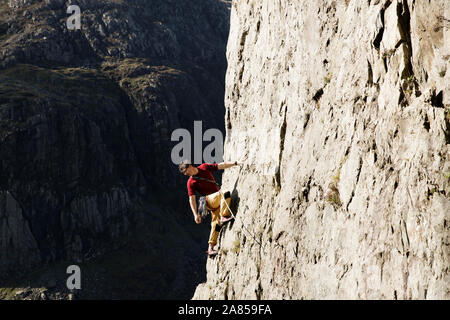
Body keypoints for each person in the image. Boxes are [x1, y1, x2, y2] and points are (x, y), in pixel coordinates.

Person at [179, 160, 239, 256]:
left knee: (216, 223)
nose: (185, 174)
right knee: (224, 193)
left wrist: (235, 163)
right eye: (184, 173)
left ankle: (210, 248)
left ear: (190, 166)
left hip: (216, 200)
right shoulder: (191, 182)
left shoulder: (204, 167)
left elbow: (220, 166)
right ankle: (224, 216)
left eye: (186, 171)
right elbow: (192, 199)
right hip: (209, 200)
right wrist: (195, 214)